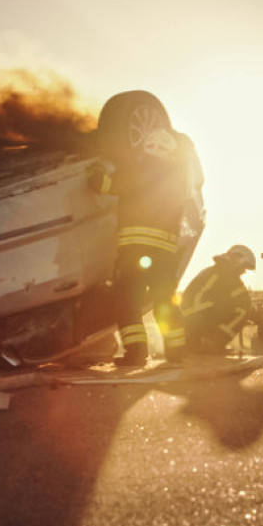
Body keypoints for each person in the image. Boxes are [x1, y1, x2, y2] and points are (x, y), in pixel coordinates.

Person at [89, 112, 189, 367]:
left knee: (127, 303)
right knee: (165, 303)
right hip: (165, 256)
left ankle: (136, 354)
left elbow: (102, 185)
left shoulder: (138, 172)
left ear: (145, 150)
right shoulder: (177, 181)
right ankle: (177, 353)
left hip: (135, 252)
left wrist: (97, 171)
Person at [180, 245, 256, 356]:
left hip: (187, 321)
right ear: (236, 261)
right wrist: (256, 315)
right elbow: (245, 301)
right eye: (243, 267)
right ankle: (213, 342)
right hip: (201, 321)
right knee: (244, 310)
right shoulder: (228, 274)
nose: (243, 272)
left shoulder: (211, 271)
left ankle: (198, 341)